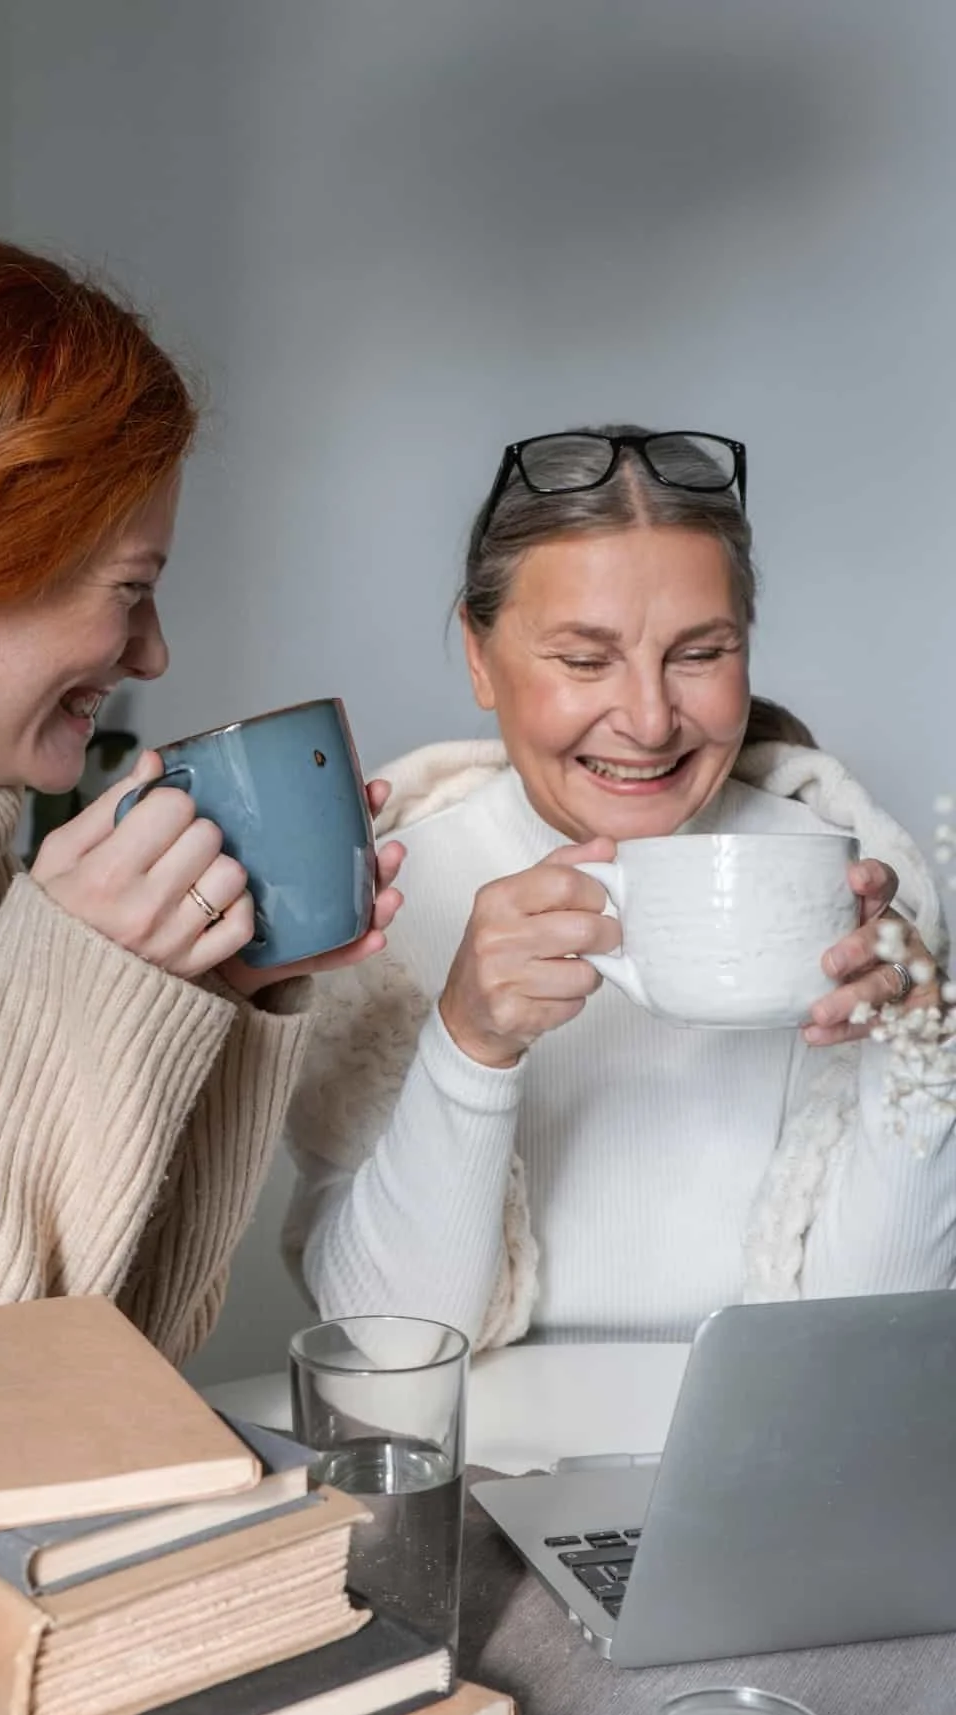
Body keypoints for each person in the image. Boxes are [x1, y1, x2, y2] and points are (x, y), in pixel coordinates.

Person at [0, 231, 403, 1598]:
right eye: (132, 591)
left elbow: (98, 1380)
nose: (155, 655)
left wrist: (197, 1012)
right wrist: (76, 986)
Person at [285, 427, 954, 1352]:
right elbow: (388, 1348)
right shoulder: (394, 904)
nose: (647, 720)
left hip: (766, 1466)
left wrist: (916, 1055)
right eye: (586, 659)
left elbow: (876, 1338)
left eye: (699, 653)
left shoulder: (849, 886)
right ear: (480, 658)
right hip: (490, 1477)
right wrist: (469, 1043)